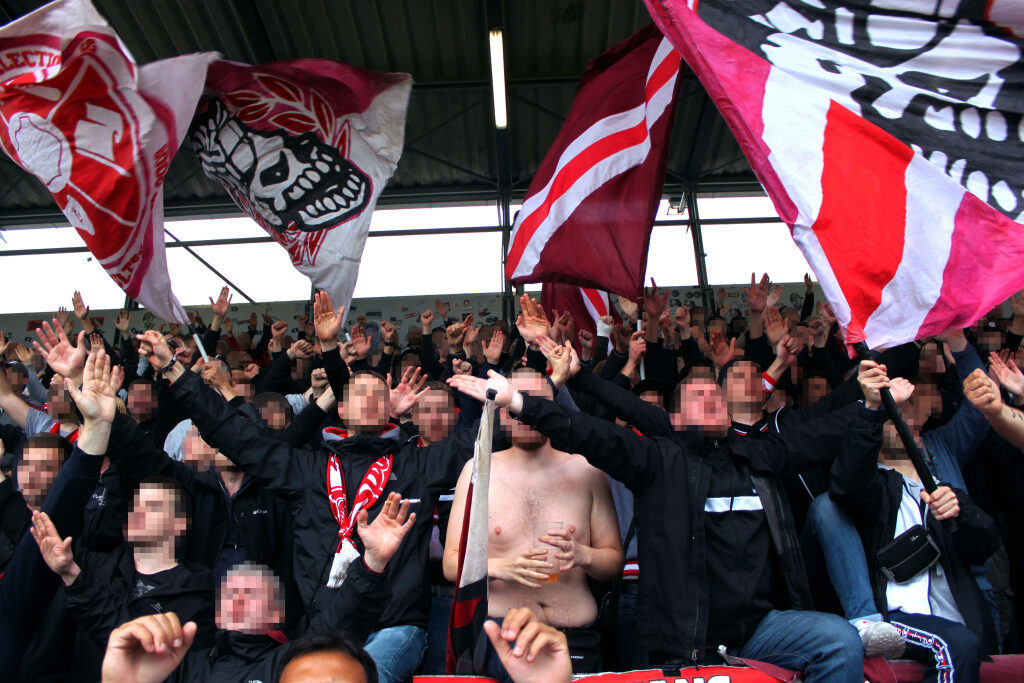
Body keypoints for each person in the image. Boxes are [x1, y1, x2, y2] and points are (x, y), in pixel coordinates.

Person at [448, 367, 867, 682]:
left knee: (839, 641)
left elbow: (823, 429)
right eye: (700, 398)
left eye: (718, 398)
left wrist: (870, 402)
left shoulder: (759, 457)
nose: (715, 402)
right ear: (675, 418)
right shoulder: (656, 461)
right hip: (685, 639)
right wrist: (521, 402)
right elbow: (590, 433)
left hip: (760, 629)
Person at [99, 491, 415, 683]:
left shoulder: (294, 661)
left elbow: (345, 619)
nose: (238, 600)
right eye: (231, 595)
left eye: (252, 594)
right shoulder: (182, 665)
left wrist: (372, 562)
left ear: (276, 612)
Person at [443, 368, 623, 679]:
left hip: (575, 633)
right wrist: (499, 566)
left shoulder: (587, 472)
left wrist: (584, 555)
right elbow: (450, 564)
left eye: (534, 401)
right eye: (513, 401)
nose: (522, 410)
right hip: (502, 633)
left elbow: (613, 561)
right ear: (500, 413)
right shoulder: (479, 470)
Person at [830, 361, 1000, 682]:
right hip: (900, 620)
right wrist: (871, 410)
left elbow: (985, 547)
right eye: (892, 415)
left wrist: (962, 514)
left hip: (961, 624)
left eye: (906, 413)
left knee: (962, 641)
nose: (902, 419)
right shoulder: (876, 488)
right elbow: (846, 483)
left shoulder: (942, 490)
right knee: (956, 643)